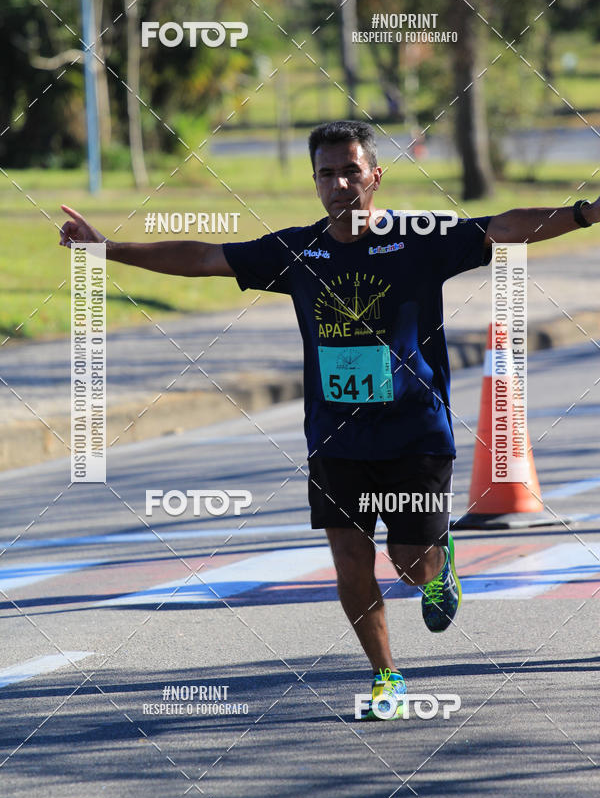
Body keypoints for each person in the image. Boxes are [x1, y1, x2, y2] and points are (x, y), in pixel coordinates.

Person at [60, 120, 599, 720]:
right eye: (327, 174)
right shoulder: (297, 251)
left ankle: (438, 567)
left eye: (351, 171)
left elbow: (502, 227)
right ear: (315, 182)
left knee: (410, 563)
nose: (340, 184)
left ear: (375, 176)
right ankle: (386, 676)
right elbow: (205, 257)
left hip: (415, 431)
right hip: (335, 437)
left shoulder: (418, 237)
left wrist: (586, 213)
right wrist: (105, 249)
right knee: (349, 556)